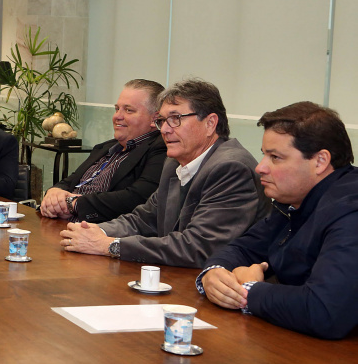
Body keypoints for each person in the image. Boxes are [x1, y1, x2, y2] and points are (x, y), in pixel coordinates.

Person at [60, 79, 268, 268]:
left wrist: (110, 245)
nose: (165, 130)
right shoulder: (174, 163)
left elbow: (198, 247)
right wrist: (94, 232)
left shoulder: (231, 168)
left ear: (210, 123)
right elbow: (143, 219)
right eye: (162, 120)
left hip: (223, 287)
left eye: (175, 119)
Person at [198, 102, 358, 339]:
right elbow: (243, 248)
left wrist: (247, 291)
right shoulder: (293, 200)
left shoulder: (350, 210)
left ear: (320, 161)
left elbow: (325, 311)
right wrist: (214, 274)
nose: (260, 167)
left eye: (275, 157)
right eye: (264, 154)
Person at [41, 79, 167, 222]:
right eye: (117, 109)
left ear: (155, 119)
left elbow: (138, 197)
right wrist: (54, 192)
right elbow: (71, 181)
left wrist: (74, 205)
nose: (117, 116)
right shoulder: (105, 147)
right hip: (57, 221)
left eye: (128, 110)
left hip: (96, 229)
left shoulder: (161, 149)